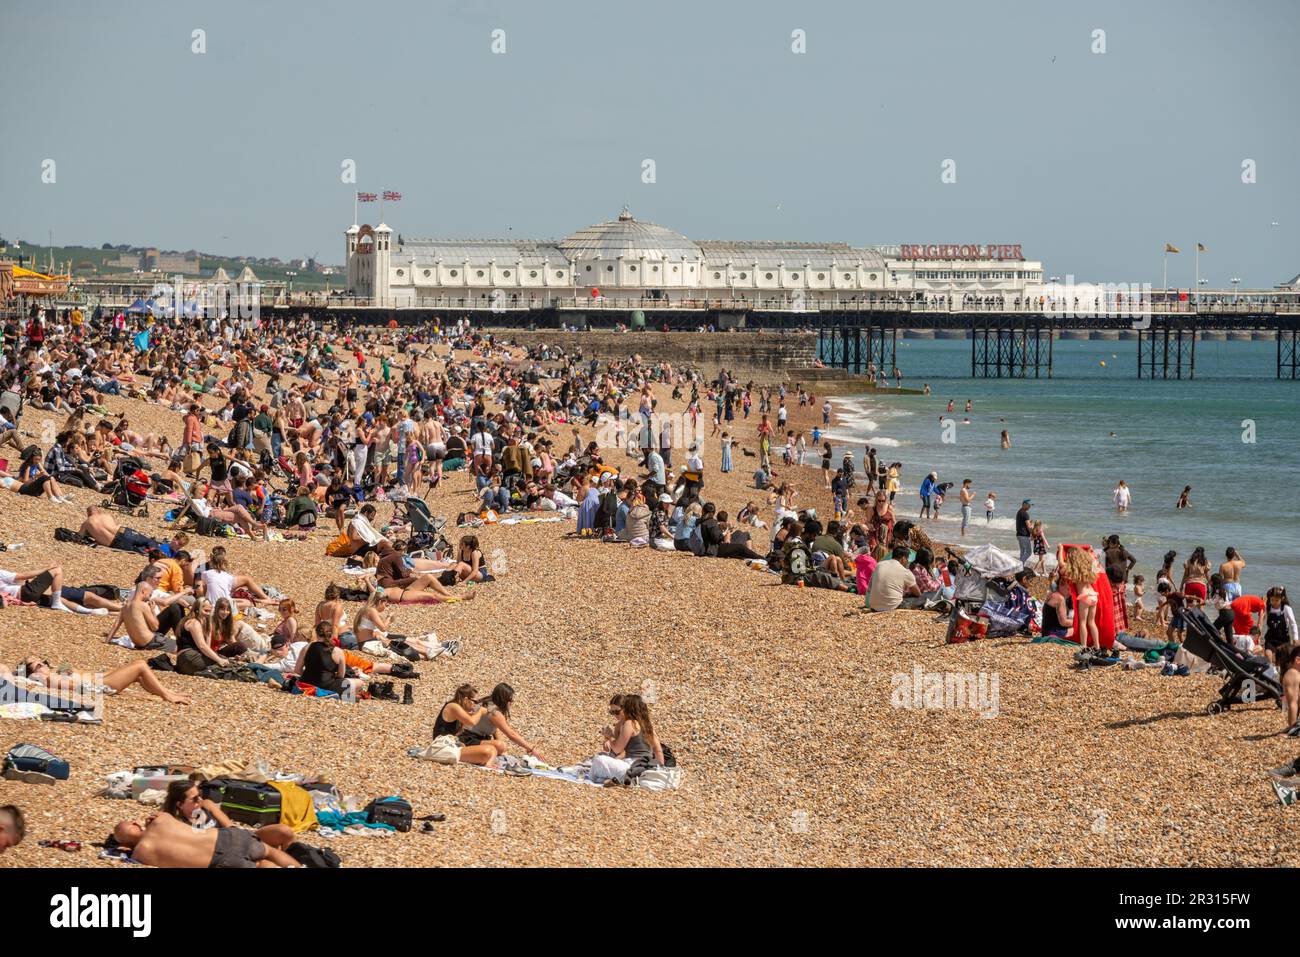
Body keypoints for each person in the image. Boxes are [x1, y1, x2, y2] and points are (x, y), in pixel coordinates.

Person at [111, 813, 298, 868]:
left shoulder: (142, 854)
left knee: (260, 865)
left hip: (220, 861)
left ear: (124, 845)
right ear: (136, 823)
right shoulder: (161, 819)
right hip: (227, 837)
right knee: (270, 852)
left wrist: (125, 849)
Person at [162, 778, 294, 851]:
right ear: (179, 804)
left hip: (238, 838)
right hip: (223, 852)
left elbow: (230, 826)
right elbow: (200, 840)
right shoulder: (177, 823)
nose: (200, 800)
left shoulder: (206, 805)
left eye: (199, 796)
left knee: (284, 831)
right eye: (195, 799)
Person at [431, 682, 544, 765]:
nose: (475, 705)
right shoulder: (491, 710)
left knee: (500, 746)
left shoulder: (487, 705)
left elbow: (495, 728)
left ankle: (480, 756)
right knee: (494, 749)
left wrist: (503, 749)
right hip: (455, 741)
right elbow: (511, 734)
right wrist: (532, 749)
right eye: (510, 700)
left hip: (460, 739)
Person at [13, 656, 191, 705]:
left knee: (137, 672)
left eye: (43, 661)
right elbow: (74, 687)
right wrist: (98, 690)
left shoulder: (54, 672)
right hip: (100, 685)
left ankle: (167, 693)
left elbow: (73, 672)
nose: (43, 664)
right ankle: (167, 695)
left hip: (101, 679)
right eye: (38, 664)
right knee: (140, 665)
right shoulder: (47, 678)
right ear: (33, 672)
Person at [80, 505, 160, 554]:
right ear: (98, 511)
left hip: (115, 543)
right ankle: (155, 550)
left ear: (88, 514)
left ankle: (149, 551)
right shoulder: (106, 515)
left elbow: (80, 536)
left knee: (140, 551)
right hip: (124, 531)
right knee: (148, 541)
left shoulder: (86, 523)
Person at [867, 544, 925, 611]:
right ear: (903, 558)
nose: (907, 562)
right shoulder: (905, 571)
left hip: (874, 606)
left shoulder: (879, 565)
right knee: (923, 599)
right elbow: (918, 594)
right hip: (892, 607)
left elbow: (870, 587)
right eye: (907, 559)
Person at [1262, 587, 1298, 663]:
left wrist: (1295, 638)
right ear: (1269, 599)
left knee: (1282, 660)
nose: (1274, 602)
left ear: (1282, 598)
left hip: (1283, 639)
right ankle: (1271, 671)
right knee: (1268, 654)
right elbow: (1264, 620)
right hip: (1271, 638)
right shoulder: (1268, 608)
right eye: (1272, 600)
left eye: (1277, 600)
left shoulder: (1286, 609)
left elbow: (1293, 623)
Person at [1015, 500, 1033, 567]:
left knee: (1023, 552)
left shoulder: (1019, 512)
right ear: (1024, 504)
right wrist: (1033, 534)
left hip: (1019, 535)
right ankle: (1019, 565)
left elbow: (1023, 524)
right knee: (1028, 552)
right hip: (1024, 535)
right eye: (1029, 505)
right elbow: (1028, 526)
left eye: (1030, 505)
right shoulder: (1025, 513)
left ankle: (1021, 567)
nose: (1030, 507)